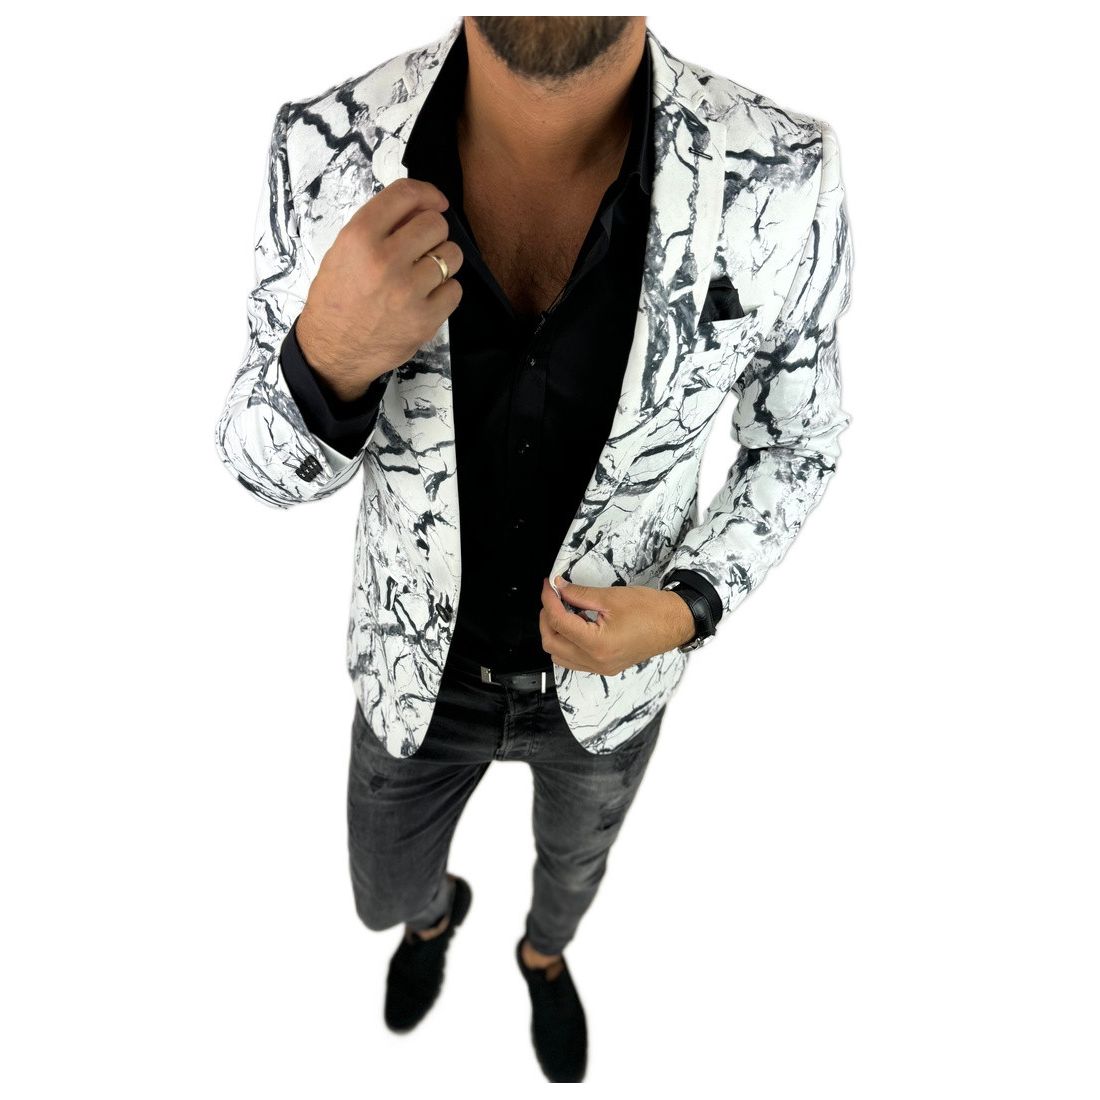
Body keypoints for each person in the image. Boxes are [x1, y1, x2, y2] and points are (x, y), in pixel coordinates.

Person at [214, 14, 853, 1084]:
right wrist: (325, 356)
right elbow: (257, 468)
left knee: (572, 875)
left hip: (611, 689)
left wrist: (688, 605)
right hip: (416, 677)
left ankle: (541, 955)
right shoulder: (328, 142)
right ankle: (434, 920)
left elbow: (798, 443)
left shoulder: (782, 173)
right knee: (380, 894)